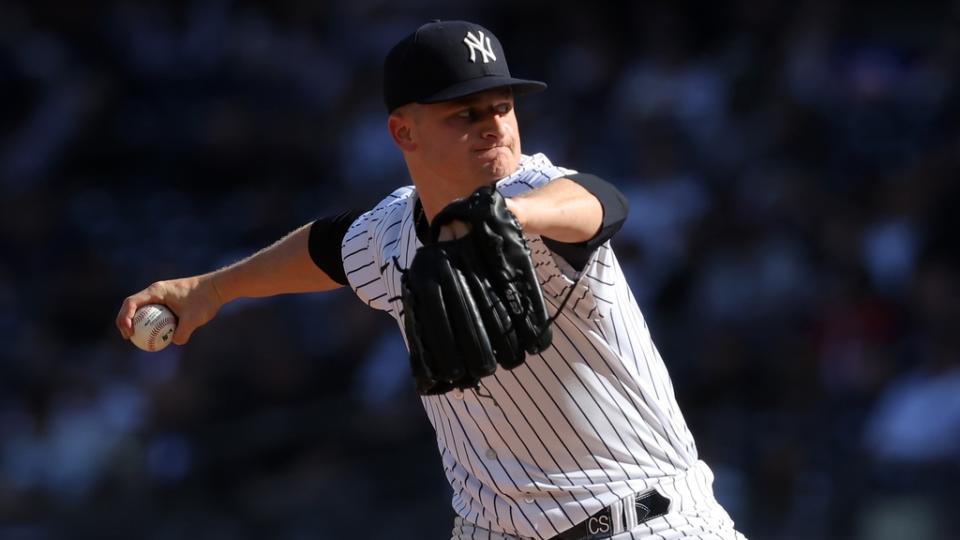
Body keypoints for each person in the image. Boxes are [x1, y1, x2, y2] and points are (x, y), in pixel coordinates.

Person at [116, 20, 747, 540]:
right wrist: (211, 290)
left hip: (646, 521)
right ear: (402, 131)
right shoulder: (389, 233)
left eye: (502, 107)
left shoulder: (538, 195)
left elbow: (599, 203)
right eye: (465, 113)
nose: (493, 125)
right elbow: (322, 247)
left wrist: (502, 217)